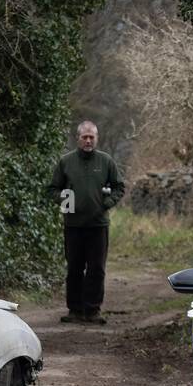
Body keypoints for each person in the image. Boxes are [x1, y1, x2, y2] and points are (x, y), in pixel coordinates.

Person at [47, 121, 125, 325]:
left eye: (92, 137)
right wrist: (66, 201)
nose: (88, 140)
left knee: (96, 269)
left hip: (98, 225)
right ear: (78, 138)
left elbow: (119, 187)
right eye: (85, 137)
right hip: (73, 225)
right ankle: (74, 310)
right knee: (74, 268)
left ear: (96, 138)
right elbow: (53, 188)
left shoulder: (106, 161)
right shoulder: (66, 162)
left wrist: (106, 203)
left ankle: (93, 310)